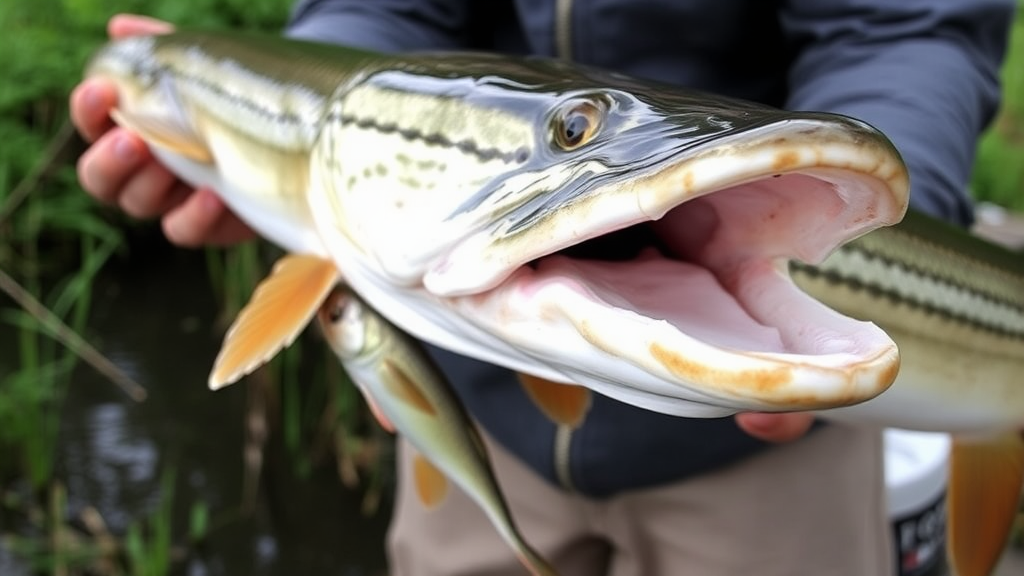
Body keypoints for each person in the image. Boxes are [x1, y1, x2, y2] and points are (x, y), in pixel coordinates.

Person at [71, 2, 1014, 575]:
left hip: (762, 458)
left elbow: (905, 25)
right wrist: (312, 91)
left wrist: (876, 209)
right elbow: (384, 12)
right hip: (481, 410)